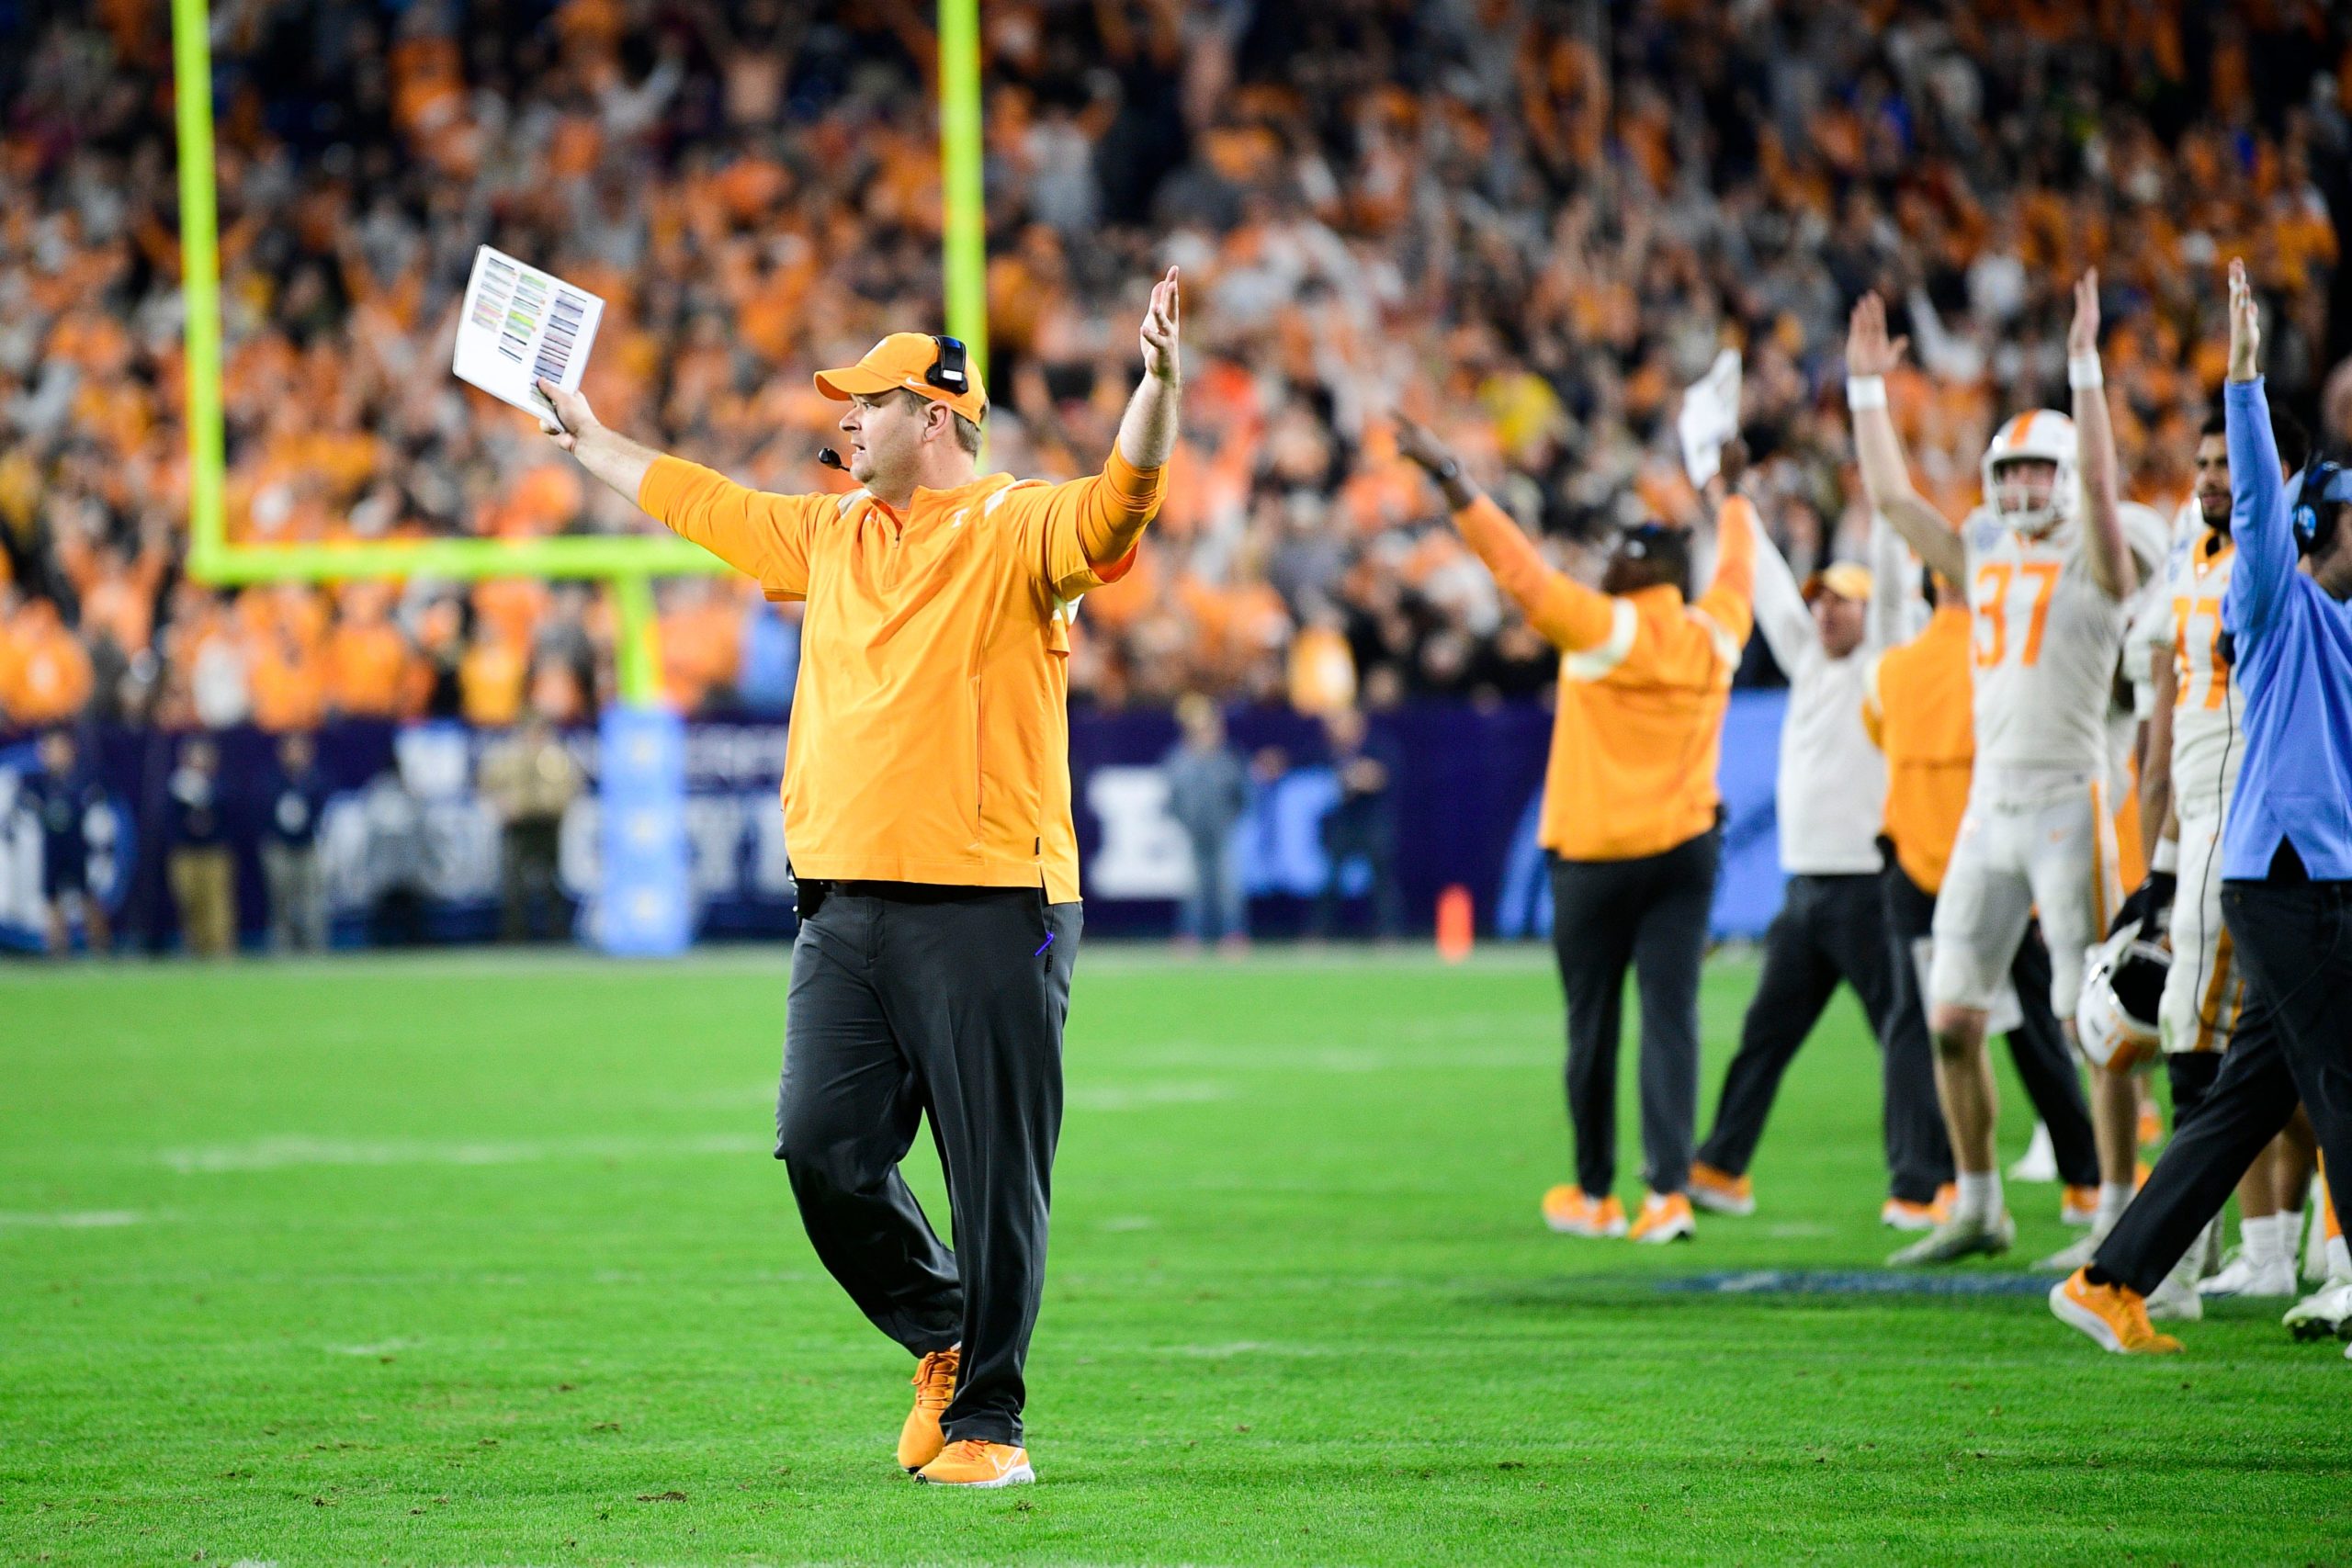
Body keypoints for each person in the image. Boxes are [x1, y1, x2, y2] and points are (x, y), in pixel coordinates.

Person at [531, 266, 1183, 1486]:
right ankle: (944, 1328)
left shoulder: (1013, 526)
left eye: (869, 403)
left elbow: (1120, 500)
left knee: (994, 1178)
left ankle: (991, 1425)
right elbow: (705, 503)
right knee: (820, 1143)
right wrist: (592, 436)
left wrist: (1156, 385)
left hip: (992, 901)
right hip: (842, 903)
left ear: (934, 418)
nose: (846, 419)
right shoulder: (831, 532)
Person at [2052, 260, 2352, 1356]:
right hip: (2284, 877)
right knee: (2343, 1079)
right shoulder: (2272, 603)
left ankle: (2109, 1278)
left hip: (2316, 877)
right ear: (2322, 529)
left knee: (2242, 1100)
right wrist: (2245, 378)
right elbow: (2263, 512)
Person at [1849, 275, 2167, 1266]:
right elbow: (1894, 500)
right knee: (1951, 1017)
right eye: (2012, 472)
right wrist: (1866, 392)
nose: (2023, 489)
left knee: (2091, 1023)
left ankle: (2115, 1207)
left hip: (2069, 802)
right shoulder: (1983, 551)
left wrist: (2084, 373)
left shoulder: (2101, 554)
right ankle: (1980, 1201)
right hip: (1989, 812)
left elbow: (2105, 504)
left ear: (2069, 477)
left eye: (2040, 472)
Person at [1395, 414, 1754, 1246]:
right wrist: (1735, 494)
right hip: (1685, 850)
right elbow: (1739, 568)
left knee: (1592, 1026)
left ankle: (1596, 1193)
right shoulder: (1714, 630)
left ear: (1634, 569)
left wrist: (1453, 476)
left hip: (1593, 856)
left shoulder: (1603, 626)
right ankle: (1668, 1193)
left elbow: (1518, 570)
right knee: (1671, 1017)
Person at [1687, 444, 1905, 1220]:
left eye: (1843, 601)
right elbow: (1771, 584)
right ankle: (1721, 1168)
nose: (1825, 611)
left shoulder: (1885, 664)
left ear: (1871, 611)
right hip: (1805, 888)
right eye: (1822, 602)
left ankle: (1929, 1181)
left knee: (1904, 1040)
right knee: (1764, 1034)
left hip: (1867, 886)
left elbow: (1890, 578)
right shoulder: (1810, 663)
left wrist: (1885, 496)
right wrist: (1734, 500)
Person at [2126, 406, 2316, 1303]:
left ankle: (2178, 1256)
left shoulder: (2278, 563)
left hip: (2252, 815)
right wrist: (2160, 868)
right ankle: (2273, 1248)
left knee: (2199, 1028)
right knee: (2279, 1049)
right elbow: (2171, 735)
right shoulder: (2190, 559)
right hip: (2207, 814)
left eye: (2226, 463)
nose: (2209, 477)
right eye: (2202, 462)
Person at [1861, 571, 2107, 1234]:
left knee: (1923, 1028)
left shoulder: (1894, 669)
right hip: (2001, 860)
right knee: (2037, 1030)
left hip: (1919, 865)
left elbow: (1878, 731)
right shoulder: (2006, 664)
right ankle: (2087, 1179)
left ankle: (1922, 1185)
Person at [478, 715, 582, 943]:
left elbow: (571, 786)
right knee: (514, 882)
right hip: (518, 825)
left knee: (554, 881)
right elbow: (488, 785)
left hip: (549, 823)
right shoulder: (506, 756)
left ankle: (556, 932)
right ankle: (515, 934)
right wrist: (501, 805)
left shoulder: (557, 757)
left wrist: (560, 807)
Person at [1161, 693, 1250, 953]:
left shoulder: (1227, 758)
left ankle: (1233, 934)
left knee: (1227, 885)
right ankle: (1190, 934)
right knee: (1194, 888)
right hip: (1192, 831)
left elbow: (1242, 795)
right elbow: (1172, 798)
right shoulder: (1179, 758)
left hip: (1222, 829)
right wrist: (1184, 822)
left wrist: (1230, 820)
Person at [1312, 705, 1402, 941]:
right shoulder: (1330, 751)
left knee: (1382, 881)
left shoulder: (1378, 746)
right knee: (1330, 880)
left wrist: (1359, 778)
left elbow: (1379, 777)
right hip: (1344, 823)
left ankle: (1388, 934)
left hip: (1373, 824)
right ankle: (1318, 933)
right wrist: (1355, 777)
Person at [19, 729, 110, 957]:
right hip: (52, 847)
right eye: (51, 749)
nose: (56, 754)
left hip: (77, 845)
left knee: (87, 895)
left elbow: (96, 800)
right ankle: (57, 948)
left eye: (61, 749)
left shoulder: (82, 779)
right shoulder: (38, 782)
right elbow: (27, 802)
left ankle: (100, 946)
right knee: (52, 898)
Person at [166, 736, 235, 958]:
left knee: (217, 903)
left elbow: (228, 816)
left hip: (213, 852)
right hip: (186, 853)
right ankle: (194, 947)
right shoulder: (177, 785)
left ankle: (220, 950)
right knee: (189, 901)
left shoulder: (219, 785)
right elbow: (170, 821)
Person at [263, 731, 330, 953]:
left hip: (308, 846)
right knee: (281, 900)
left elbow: (323, 813)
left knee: (312, 901)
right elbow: (262, 814)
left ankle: (315, 948)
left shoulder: (315, 780)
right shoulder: (272, 780)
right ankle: (283, 949)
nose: (296, 755)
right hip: (280, 848)